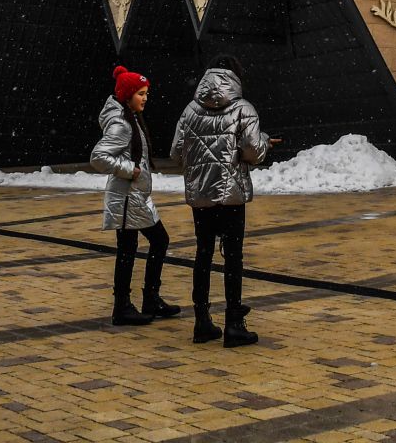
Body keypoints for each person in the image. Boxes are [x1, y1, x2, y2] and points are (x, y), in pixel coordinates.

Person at [171, 53, 267, 348]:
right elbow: (253, 151)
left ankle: (202, 321)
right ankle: (234, 324)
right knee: (233, 257)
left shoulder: (190, 110)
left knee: (203, 254)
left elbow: (176, 152)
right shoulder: (243, 109)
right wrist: (263, 141)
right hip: (232, 196)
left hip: (201, 196)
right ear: (236, 77)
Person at [90, 66, 177, 327]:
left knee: (142, 246)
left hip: (135, 196)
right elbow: (99, 157)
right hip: (127, 197)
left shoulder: (130, 116)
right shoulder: (121, 124)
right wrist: (130, 169)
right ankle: (124, 306)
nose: (145, 98)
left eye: (146, 93)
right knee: (143, 245)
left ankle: (144, 300)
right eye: (140, 93)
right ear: (127, 95)